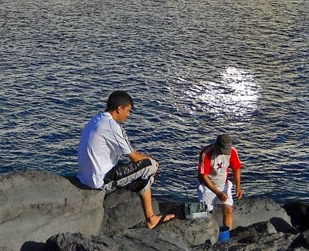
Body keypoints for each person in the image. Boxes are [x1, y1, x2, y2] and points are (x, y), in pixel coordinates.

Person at [77, 90, 175, 229]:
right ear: (119, 109)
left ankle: (151, 218)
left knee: (143, 173)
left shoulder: (97, 119)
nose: (128, 115)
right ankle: (151, 218)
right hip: (100, 179)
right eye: (128, 111)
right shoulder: (112, 126)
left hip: (85, 176)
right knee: (150, 165)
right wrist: (153, 163)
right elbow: (134, 156)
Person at [197, 134, 243, 235]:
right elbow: (204, 176)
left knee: (228, 209)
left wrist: (238, 186)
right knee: (206, 214)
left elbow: (236, 168)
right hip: (207, 186)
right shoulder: (206, 153)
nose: (224, 154)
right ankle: (208, 236)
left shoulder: (232, 151)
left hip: (223, 184)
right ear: (217, 146)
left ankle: (227, 235)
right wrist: (217, 193)